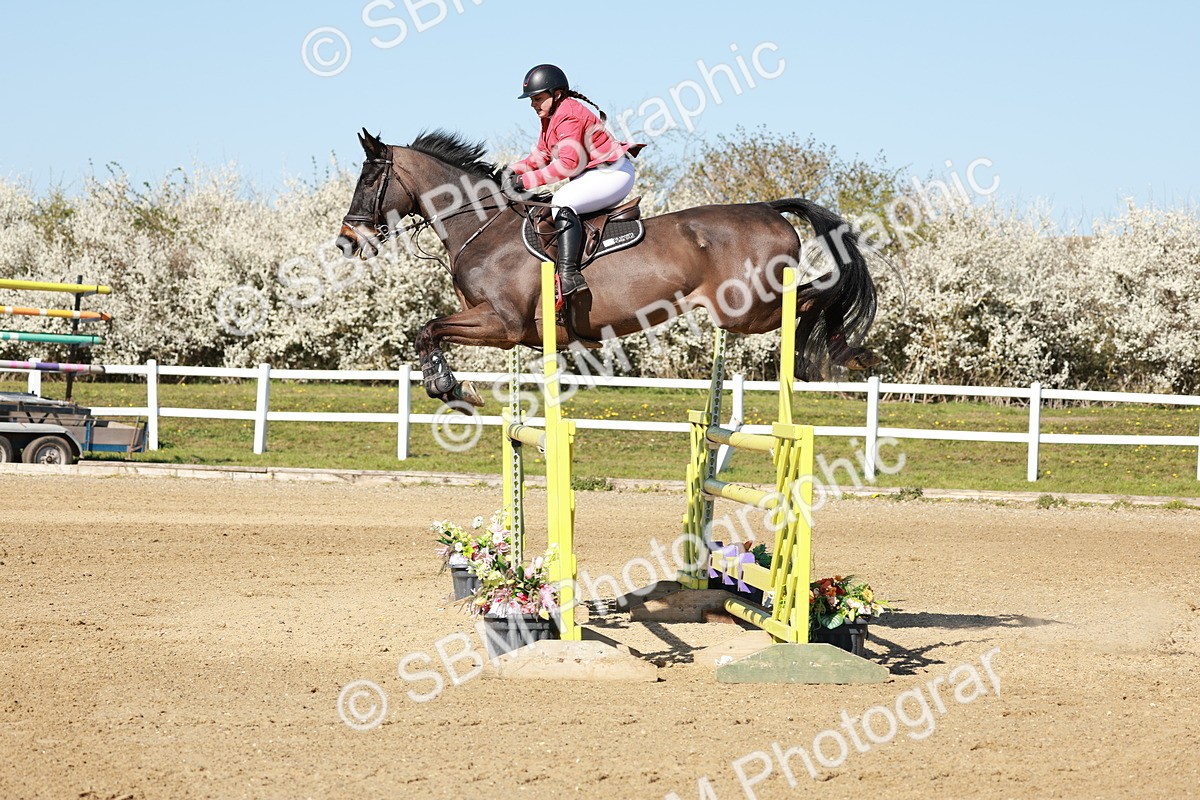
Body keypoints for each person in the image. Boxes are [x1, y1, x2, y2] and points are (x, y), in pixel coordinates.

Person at [505, 64, 639, 297]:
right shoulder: (550, 116)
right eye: (531, 100)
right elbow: (542, 155)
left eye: (537, 98)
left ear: (556, 94)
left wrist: (525, 182)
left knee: (562, 201)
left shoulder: (568, 114)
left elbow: (567, 164)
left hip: (612, 173)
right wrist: (511, 170)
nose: (533, 104)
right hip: (595, 174)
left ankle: (569, 275)